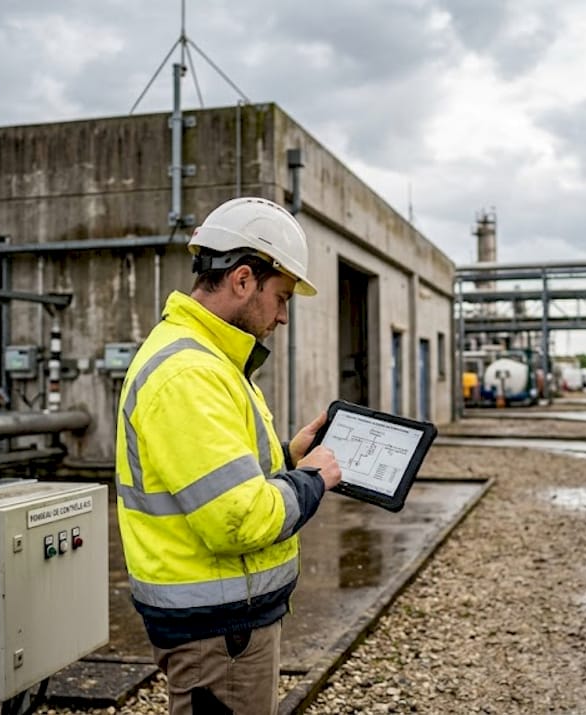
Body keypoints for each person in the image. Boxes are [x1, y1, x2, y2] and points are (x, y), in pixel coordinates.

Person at [115, 197, 342, 715]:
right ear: (242, 280)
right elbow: (237, 520)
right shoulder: (190, 372)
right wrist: (310, 480)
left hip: (222, 627)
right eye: (281, 297)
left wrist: (288, 455)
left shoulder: (208, 359)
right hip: (219, 633)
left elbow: (215, 480)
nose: (283, 316)